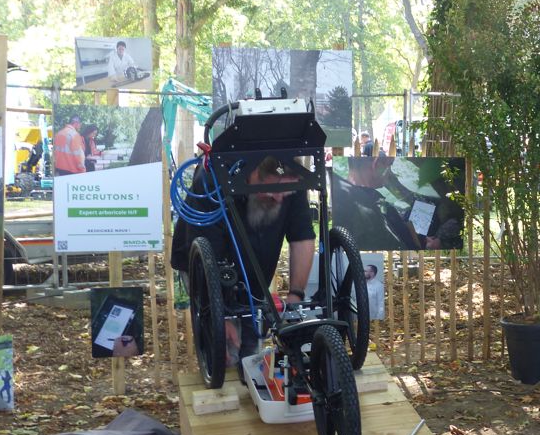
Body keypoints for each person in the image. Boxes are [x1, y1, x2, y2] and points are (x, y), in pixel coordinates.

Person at [171, 156, 316, 365]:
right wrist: (221, 316)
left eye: (285, 192)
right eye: (272, 191)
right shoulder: (212, 182)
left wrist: (296, 295)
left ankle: (249, 378)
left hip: (254, 270)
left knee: (250, 345)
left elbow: (302, 237)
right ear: (253, 174)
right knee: (226, 349)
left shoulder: (290, 182)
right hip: (207, 266)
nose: (279, 199)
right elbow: (206, 259)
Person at [331, 155, 421, 250]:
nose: (390, 171)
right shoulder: (376, 210)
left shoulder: (341, 200)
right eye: (389, 165)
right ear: (376, 164)